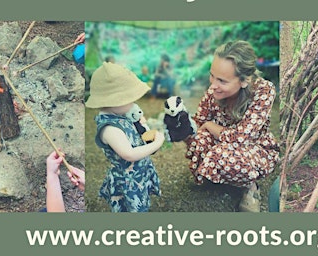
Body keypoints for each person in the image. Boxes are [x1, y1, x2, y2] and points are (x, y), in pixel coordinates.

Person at [185, 40, 280, 212]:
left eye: (222, 80)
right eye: (212, 75)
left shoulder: (263, 90)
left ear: (244, 81)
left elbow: (243, 138)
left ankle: (250, 187)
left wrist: (209, 126)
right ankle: (214, 178)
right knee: (199, 140)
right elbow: (198, 125)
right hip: (223, 143)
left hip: (252, 147)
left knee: (223, 155)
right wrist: (183, 129)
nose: (213, 84)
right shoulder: (213, 91)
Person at [86, 62, 165, 212]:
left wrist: (141, 126)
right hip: (129, 181)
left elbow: (134, 135)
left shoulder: (121, 115)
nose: (133, 103)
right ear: (115, 101)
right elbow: (129, 154)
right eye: (130, 99)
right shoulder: (110, 129)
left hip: (138, 174)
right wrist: (157, 143)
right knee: (133, 208)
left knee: (142, 200)